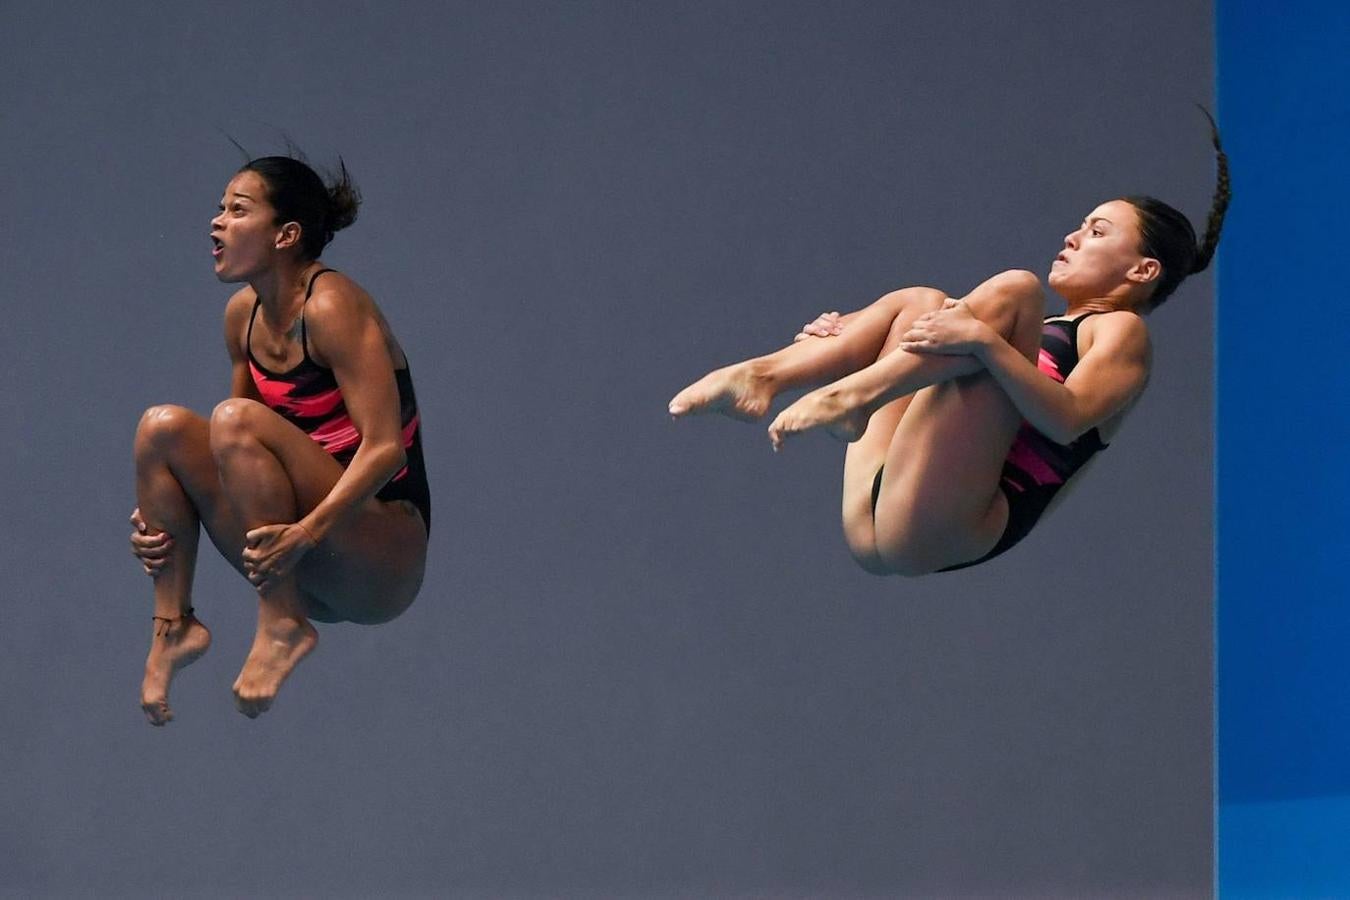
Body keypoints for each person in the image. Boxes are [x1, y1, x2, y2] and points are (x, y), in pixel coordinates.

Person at [670, 121, 1228, 576]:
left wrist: (982, 339)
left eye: (1098, 232)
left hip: (949, 525)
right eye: (1080, 226)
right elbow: (934, 337)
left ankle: (852, 398)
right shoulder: (1033, 329)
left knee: (1014, 289)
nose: (1072, 237)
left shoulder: (1121, 332)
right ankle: (765, 377)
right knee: (922, 301)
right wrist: (846, 331)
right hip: (887, 500)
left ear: (1142, 270)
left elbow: (1067, 420)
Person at [130, 154, 431, 724]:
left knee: (233, 420)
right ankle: (174, 626)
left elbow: (385, 448)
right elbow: (238, 459)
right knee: (160, 430)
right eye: (219, 209)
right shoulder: (240, 317)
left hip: (380, 554)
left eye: (238, 211)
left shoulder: (332, 306)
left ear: (286, 235)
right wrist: (163, 513)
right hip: (300, 557)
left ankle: (282, 622)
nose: (217, 223)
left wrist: (305, 532)